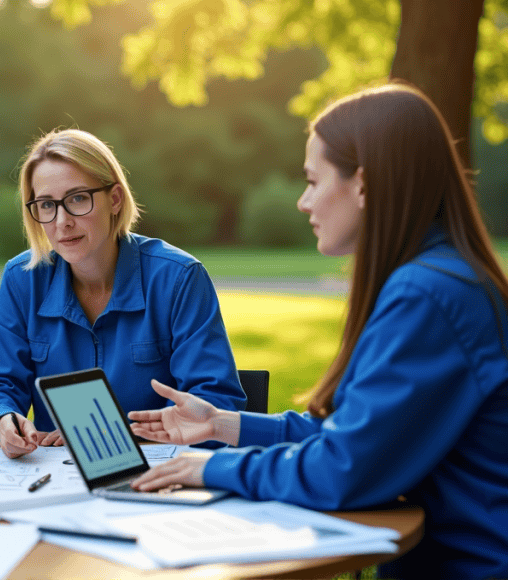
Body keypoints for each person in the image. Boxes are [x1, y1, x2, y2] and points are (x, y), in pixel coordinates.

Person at [127, 84, 508, 579]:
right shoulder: (442, 277)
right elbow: (352, 434)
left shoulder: (427, 294)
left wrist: (210, 467)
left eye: (312, 180)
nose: (304, 202)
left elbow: (344, 468)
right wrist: (223, 425)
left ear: (364, 184)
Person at [0, 128, 247, 459]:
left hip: (161, 474)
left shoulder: (178, 278)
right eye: (46, 205)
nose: (62, 222)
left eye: (77, 199)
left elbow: (216, 404)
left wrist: (111, 436)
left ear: (114, 199)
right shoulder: (22, 279)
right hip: (58, 478)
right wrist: (2, 420)